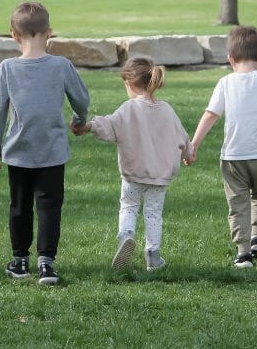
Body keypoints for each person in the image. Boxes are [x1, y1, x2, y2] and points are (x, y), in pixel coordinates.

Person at [0, 1, 90, 285]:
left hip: (18, 153)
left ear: (14, 35)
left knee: (19, 206)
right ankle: (46, 264)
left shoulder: (7, 68)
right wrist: (80, 118)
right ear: (49, 32)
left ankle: (20, 261)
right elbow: (81, 99)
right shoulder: (61, 66)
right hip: (52, 152)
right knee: (49, 206)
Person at [187, 26, 257, 268]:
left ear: (230, 59)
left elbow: (210, 115)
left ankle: (243, 252)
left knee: (237, 204)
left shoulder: (226, 83)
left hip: (233, 157)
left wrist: (194, 144)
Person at [72, 57, 192, 272]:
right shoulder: (166, 109)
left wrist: (88, 126)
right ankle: (153, 256)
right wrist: (189, 153)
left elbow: (109, 125)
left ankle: (126, 236)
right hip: (159, 176)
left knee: (128, 207)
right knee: (153, 214)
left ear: (129, 83)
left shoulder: (129, 109)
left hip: (133, 174)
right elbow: (181, 135)